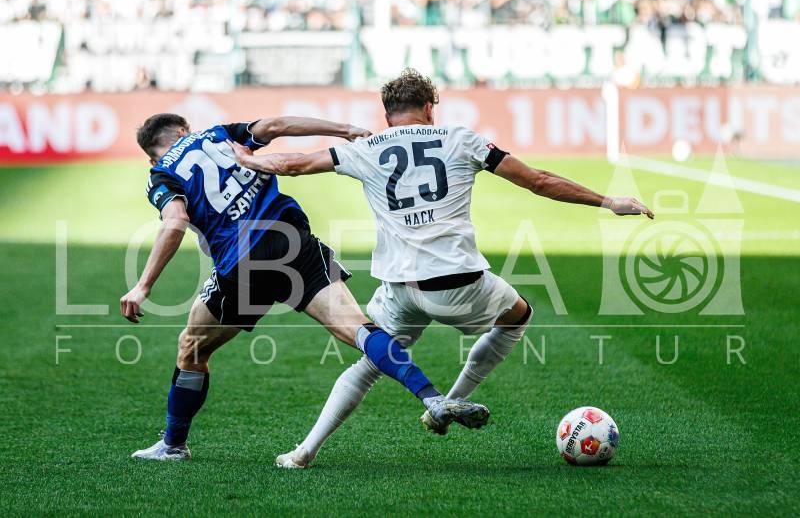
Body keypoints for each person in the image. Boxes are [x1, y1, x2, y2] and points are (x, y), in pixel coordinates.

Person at [228, 68, 654, 469]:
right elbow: (538, 180)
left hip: (399, 288)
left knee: (369, 365)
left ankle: (303, 452)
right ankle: (449, 402)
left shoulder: (366, 148)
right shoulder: (461, 139)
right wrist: (608, 202)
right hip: (457, 284)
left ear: (387, 115)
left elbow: (294, 164)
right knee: (518, 315)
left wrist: (248, 159)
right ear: (430, 108)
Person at [121, 113, 491, 461]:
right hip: (292, 241)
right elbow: (278, 124)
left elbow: (175, 220)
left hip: (243, 263)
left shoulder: (162, 173)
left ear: (152, 155)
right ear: (183, 131)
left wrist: (142, 285)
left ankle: (173, 444)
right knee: (359, 329)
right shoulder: (218, 134)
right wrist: (346, 130)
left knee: (192, 347)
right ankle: (432, 398)